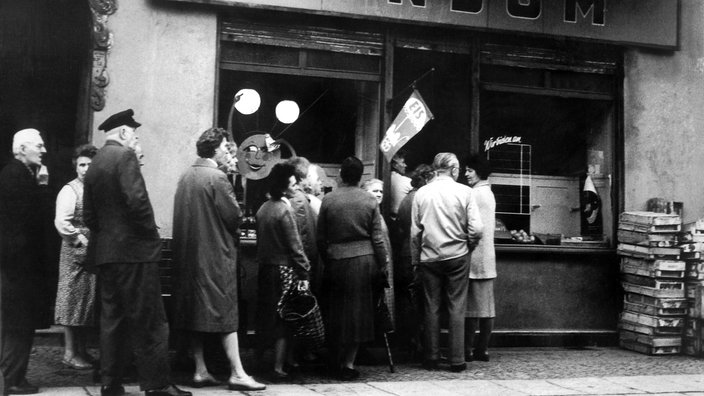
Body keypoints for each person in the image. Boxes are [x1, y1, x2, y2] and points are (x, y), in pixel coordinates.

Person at [83, 109, 191, 396]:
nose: (135, 140)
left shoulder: (94, 164)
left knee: (112, 321)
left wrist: (108, 236)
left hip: (107, 254)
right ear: (123, 134)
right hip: (136, 253)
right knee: (150, 319)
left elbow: (90, 217)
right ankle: (157, 386)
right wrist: (148, 235)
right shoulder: (125, 157)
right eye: (135, 135)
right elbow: (138, 202)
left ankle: (110, 383)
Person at [171, 127, 265, 391]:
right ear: (215, 149)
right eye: (227, 148)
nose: (229, 153)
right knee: (226, 312)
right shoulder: (217, 178)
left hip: (189, 258)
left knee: (194, 313)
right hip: (215, 257)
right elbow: (233, 216)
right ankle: (237, 372)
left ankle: (200, 370)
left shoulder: (186, 176)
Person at [317, 157, 388, 381]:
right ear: (360, 177)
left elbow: (320, 237)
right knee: (359, 313)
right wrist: (383, 263)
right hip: (364, 260)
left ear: (341, 174)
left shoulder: (328, 200)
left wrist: (328, 258)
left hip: (336, 259)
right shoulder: (369, 201)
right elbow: (377, 238)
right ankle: (349, 363)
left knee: (336, 311)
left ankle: (334, 359)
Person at [411, 152, 483, 373]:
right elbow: (477, 228)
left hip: (429, 257)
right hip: (458, 254)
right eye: (458, 168)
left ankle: (431, 357)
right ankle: (457, 359)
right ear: (453, 169)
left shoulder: (421, 193)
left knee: (431, 306)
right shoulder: (465, 192)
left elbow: (415, 233)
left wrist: (416, 260)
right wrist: (469, 244)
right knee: (456, 307)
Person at [0, 128, 53, 395]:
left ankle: (11, 378)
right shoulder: (17, 177)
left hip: (17, 266)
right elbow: (32, 223)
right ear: (22, 149)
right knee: (19, 325)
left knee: (16, 324)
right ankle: (12, 380)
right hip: (20, 267)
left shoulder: (16, 175)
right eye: (39, 146)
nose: (44, 151)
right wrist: (42, 187)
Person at [255, 163, 311, 380]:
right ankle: (278, 367)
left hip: (265, 268)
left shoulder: (263, 208)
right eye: (293, 181)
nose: (296, 184)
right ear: (284, 184)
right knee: (283, 319)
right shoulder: (284, 210)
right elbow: (295, 246)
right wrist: (304, 272)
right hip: (284, 270)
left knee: (265, 315)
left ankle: (260, 360)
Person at [54, 143, 99, 371]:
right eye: (81, 165)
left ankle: (81, 350)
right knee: (72, 302)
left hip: (90, 254)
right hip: (74, 253)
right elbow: (62, 222)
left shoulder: (92, 188)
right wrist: (81, 240)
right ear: (76, 167)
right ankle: (70, 354)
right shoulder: (69, 190)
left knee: (85, 303)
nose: (85, 169)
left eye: (90, 164)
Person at [393, 164, 434, 356]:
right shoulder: (424, 198)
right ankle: (420, 343)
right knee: (422, 300)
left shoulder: (406, 200)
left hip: (403, 254)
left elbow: (401, 228)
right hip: (419, 255)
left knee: (408, 300)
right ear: (426, 178)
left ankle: (409, 340)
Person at [463, 154, 497, 362]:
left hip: (474, 255)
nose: (466, 174)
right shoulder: (488, 192)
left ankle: (468, 349)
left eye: (469, 170)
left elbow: (473, 228)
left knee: (471, 309)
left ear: (479, 171)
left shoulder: (474, 194)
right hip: (487, 256)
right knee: (487, 307)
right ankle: (482, 349)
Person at [361, 178, 395, 330]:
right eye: (375, 191)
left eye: (381, 191)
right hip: (377, 263)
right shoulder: (367, 213)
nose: (379, 194)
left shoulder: (378, 213)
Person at [388, 150, 412, 221]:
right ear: (395, 165)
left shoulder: (385, 178)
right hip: (401, 219)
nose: (405, 165)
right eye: (403, 162)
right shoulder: (406, 181)